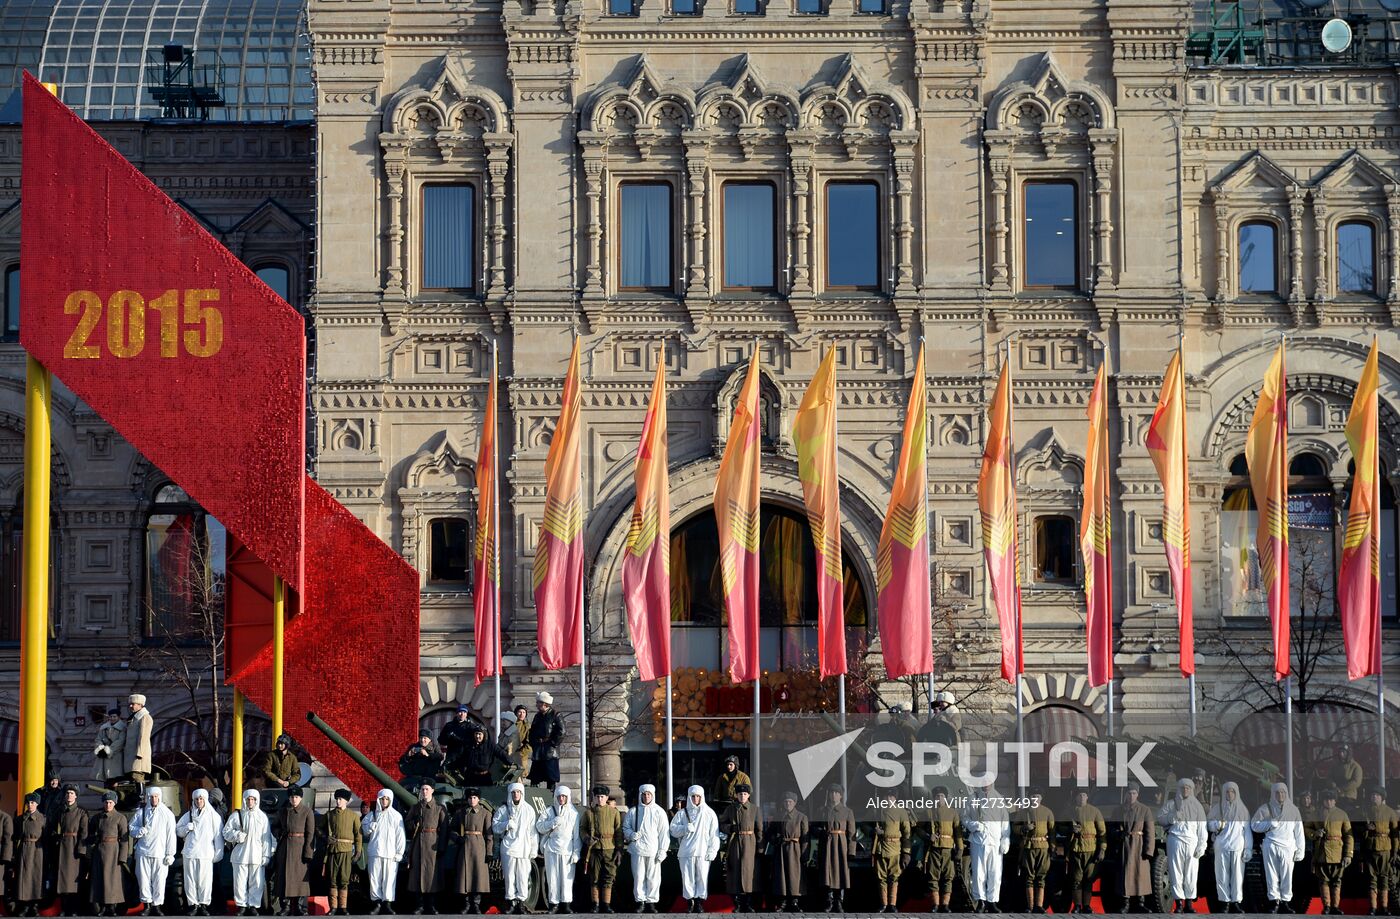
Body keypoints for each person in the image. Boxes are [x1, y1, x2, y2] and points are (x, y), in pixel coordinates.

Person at [1252, 782, 1306, 914]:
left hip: (1288, 846)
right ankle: (1274, 901)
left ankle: (1285, 902)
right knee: (1271, 875)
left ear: (1286, 794)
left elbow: (1299, 831)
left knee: (1287, 875)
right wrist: (1268, 824)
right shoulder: (1265, 808)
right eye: (1277, 793)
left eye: (1283, 792)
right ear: (1273, 794)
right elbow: (1254, 825)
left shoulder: (1294, 810)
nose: (1280, 795)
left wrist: (1300, 849)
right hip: (1270, 845)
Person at [1158, 777, 1208, 914]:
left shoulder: (1197, 806)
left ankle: (1189, 904)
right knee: (1176, 872)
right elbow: (1160, 818)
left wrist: (1201, 846)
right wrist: (1172, 816)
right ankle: (1179, 903)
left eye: (1188, 788)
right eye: (1183, 787)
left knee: (1191, 874)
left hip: (1192, 842)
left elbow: (1202, 828)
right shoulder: (1171, 804)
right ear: (1179, 789)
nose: (1185, 790)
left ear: (1191, 790)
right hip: (1175, 840)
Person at [225, 788, 278, 917]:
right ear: (244, 800)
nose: (250, 802)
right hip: (240, 855)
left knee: (256, 882)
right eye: (248, 799)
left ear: (257, 801)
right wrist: (237, 835)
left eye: (253, 799)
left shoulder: (262, 817)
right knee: (240, 882)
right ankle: (242, 906)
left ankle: (253, 905)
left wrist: (266, 855)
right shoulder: (236, 815)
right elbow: (226, 832)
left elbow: (267, 838)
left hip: (257, 855)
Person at [669, 785, 720, 914]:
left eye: (698, 796)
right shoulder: (682, 813)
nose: (696, 799)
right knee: (687, 878)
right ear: (689, 797)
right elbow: (673, 829)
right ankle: (690, 903)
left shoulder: (709, 813)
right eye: (693, 796)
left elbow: (714, 834)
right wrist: (685, 828)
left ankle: (699, 903)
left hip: (702, 852)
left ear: (702, 797)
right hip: (686, 851)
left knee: (702, 878)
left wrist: (712, 850)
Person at [493, 781, 540, 915]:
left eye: (518, 792)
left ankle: (521, 903)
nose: (516, 795)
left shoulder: (529, 810)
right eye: (513, 792)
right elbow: (495, 826)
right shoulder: (503, 810)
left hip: (524, 847)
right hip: (508, 847)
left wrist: (533, 848)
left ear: (522, 793)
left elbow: (532, 832)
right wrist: (506, 824)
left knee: (523, 876)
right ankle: (511, 902)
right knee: (509, 876)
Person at [129, 785, 177, 916]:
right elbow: (131, 827)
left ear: (160, 797)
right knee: (143, 880)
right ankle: (147, 905)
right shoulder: (142, 812)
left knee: (159, 880)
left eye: (156, 797)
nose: (154, 799)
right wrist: (139, 831)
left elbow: (171, 835)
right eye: (152, 797)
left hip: (160, 853)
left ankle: (157, 906)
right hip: (143, 852)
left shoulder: (167, 814)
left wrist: (170, 854)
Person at [623, 783, 670, 914]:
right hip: (637, 850)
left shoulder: (659, 812)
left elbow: (664, 833)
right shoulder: (633, 811)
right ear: (640, 795)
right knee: (638, 877)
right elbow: (625, 828)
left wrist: (662, 850)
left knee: (653, 878)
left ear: (652, 795)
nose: (646, 797)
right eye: (644, 794)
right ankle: (640, 902)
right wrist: (632, 835)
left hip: (653, 850)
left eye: (649, 794)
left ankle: (652, 902)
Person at [177, 788, 224, 917]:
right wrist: (186, 828)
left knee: (205, 881)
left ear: (205, 799)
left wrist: (218, 853)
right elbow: (178, 831)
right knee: (190, 880)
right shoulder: (189, 815)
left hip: (206, 854)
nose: (199, 801)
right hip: (190, 853)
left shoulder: (214, 816)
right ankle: (193, 905)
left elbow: (218, 837)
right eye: (196, 799)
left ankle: (204, 905)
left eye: (201, 799)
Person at [1207, 781, 1252, 914]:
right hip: (1222, 847)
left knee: (1237, 876)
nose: (1229, 794)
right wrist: (1216, 825)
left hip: (1237, 847)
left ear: (1236, 793)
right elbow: (1209, 824)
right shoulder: (1217, 808)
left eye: (1232, 791)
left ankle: (1236, 902)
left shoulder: (1243, 810)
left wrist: (1248, 848)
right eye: (1227, 791)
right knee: (1222, 875)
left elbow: (1247, 831)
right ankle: (1224, 902)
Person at [536, 784, 582, 914]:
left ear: (568, 797)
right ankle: (553, 903)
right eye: (559, 796)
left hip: (567, 849)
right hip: (551, 848)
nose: (561, 798)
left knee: (567, 878)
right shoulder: (549, 811)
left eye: (564, 796)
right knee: (552, 877)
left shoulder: (573, 813)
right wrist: (552, 822)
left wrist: (576, 852)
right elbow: (539, 826)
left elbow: (576, 836)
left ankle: (566, 904)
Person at [966, 788, 1011, 913]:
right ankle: (981, 901)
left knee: (995, 874)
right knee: (978, 873)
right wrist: (973, 825)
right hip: (978, 840)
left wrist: (1005, 838)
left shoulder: (999, 798)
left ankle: (992, 901)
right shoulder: (973, 798)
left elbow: (1005, 821)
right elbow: (964, 816)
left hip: (995, 842)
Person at [275, 785, 317, 916]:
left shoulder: (307, 811)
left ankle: (299, 906)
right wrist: (278, 833)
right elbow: (275, 826)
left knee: (300, 879)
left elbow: (310, 833)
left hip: (300, 847)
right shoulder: (283, 811)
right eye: (292, 797)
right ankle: (285, 906)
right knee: (283, 876)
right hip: (285, 847)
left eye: (296, 797)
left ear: (301, 798)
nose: (294, 799)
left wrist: (308, 852)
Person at [405, 781, 445, 916]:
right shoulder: (416, 807)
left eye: (427, 789)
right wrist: (413, 822)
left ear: (432, 790)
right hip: (418, 843)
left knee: (432, 875)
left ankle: (431, 905)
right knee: (417, 874)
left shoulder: (439, 808)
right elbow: (407, 824)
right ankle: (420, 905)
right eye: (422, 789)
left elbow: (444, 829)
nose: (424, 791)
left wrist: (441, 847)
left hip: (432, 843)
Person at [363, 789, 405, 916]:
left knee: (389, 879)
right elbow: (364, 828)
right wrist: (370, 827)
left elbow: (400, 836)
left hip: (390, 853)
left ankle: (387, 903)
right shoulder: (372, 815)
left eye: (387, 799)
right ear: (379, 800)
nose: (384, 801)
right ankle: (376, 903)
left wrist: (399, 852)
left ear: (390, 800)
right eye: (382, 799)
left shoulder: (396, 816)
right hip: (375, 852)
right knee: (374, 878)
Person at [1358, 785, 1398, 916]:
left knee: (1384, 878)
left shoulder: (1390, 812)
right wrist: (1366, 829)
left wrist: (1395, 852)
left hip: (1386, 848)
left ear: (1382, 798)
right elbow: (1361, 834)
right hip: (1371, 848)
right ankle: (1373, 907)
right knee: (1372, 879)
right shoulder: (1366, 812)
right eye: (1372, 795)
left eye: (1377, 795)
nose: (1374, 797)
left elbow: (1395, 834)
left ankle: (1385, 907)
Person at [452, 788, 493, 915]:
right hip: (464, 847)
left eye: (474, 797)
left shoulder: (485, 813)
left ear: (478, 799)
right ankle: (466, 904)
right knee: (465, 876)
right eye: (470, 798)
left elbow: (489, 835)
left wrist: (489, 852)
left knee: (477, 877)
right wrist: (457, 837)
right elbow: (452, 829)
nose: (472, 800)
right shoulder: (461, 813)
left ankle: (476, 904)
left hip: (479, 847)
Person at [870, 789, 912, 914]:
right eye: (886, 796)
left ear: (895, 798)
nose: (888, 799)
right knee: (881, 877)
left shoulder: (901, 811)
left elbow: (907, 833)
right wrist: (873, 831)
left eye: (891, 796)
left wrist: (906, 852)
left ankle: (892, 905)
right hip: (881, 848)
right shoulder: (876, 811)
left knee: (894, 877)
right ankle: (884, 904)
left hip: (895, 848)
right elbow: (866, 826)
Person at [720, 783, 760, 912]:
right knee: (735, 872)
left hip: (750, 842)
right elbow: (721, 824)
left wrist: (760, 847)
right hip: (735, 842)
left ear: (748, 795)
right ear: (736, 795)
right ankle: (737, 904)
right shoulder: (730, 809)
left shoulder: (755, 809)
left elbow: (760, 830)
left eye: (744, 794)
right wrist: (730, 828)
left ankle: (748, 903)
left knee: (748, 873)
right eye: (740, 794)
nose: (742, 796)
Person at [1314, 787, 1354, 916]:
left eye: (1331, 800)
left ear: (1335, 801)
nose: (1329, 802)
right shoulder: (1317, 814)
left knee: (1337, 880)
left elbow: (1348, 835)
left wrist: (1348, 854)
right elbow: (1307, 828)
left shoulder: (1342, 814)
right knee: (1323, 880)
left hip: (1338, 851)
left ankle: (1335, 906)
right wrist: (1315, 833)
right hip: (1321, 851)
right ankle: (1326, 906)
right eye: (1326, 800)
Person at [89, 791, 130, 917]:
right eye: (106, 802)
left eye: (110, 802)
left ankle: (112, 907)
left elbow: (124, 839)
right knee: (100, 879)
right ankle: (101, 906)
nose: (108, 805)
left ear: (114, 803)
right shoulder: (97, 818)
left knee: (112, 881)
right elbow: (90, 835)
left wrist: (122, 857)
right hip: (100, 851)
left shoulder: (120, 818)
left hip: (114, 852)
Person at [767, 790, 808, 913]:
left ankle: (794, 902)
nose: (787, 804)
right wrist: (775, 839)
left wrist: (804, 854)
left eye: (790, 801)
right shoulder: (779, 816)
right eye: (785, 802)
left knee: (795, 876)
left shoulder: (802, 817)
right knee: (781, 875)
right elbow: (769, 833)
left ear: (795, 803)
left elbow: (805, 838)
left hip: (795, 850)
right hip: (781, 849)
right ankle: (783, 902)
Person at [1118, 782, 1157, 914]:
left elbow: (1150, 832)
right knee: (1125, 875)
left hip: (1139, 846)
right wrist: (1118, 834)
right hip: (1125, 845)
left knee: (1140, 875)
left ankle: (1141, 903)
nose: (1131, 795)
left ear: (1137, 794)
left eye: (1134, 793)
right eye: (1129, 793)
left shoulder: (1145, 809)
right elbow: (1112, 828)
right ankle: (1126, 903)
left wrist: (1148, 850)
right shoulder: (1120, 810)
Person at [924, 786, 963, 914]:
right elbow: (918, 829)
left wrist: (960, 849)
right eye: (937, 796)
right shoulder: (928, 812)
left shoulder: (952, 812)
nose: (939, 798)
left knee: (948, 877)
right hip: (933, 848)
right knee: (933, 877)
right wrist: (927, 836)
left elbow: (957, 833)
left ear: (945, 798)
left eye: (941, 796)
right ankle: (935, 904)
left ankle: (945, 905)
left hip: (948, 849)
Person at [325, 788, 364, 916]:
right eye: (336, 799)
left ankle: (343, 907)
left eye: (340, 799)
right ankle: (333, 907)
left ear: (346, 801)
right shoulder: (329, 815)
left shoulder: (353, 816)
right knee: (332, 879)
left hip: (347, 851)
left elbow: (358, 836)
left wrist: (358, 852)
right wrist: (325, 837)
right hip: (332, 851)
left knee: (344, 879)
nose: (338, 801)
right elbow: (318, 829)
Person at [1016, 789, 1056, 914]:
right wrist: (1023, 828)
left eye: (1037, 796)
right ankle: (1030, 906)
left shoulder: (1048, 812)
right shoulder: (1023, 812)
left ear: (1041, 798)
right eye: (1033, 796)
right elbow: (1015, 827)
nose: (1035, 798)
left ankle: (1039, 905)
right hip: (1028, 846)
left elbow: (1052, 831)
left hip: (1043, 846)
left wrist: (1053, 847)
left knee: (1041, 877)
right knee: (1029, 877)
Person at [53, 784, 89, 917]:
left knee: (73, 881)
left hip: (74, 849)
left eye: (72, 793)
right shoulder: (60, 811)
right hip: (62, 847)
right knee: (61, 880)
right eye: (67, 793)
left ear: (76, 796)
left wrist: (81, 849)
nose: (69, 795)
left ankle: (73, 909)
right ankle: (64, 908)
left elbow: (84, 832)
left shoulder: (81, 812)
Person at [818, 784, 855, 914]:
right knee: (827, 873)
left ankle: (839, 901)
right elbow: (816, 828)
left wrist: (851, 851)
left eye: (836, 793)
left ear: (841, 795)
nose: (833, 795)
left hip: (841, 846)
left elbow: (852, 834)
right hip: (827, 845)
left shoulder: (848, 811)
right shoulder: (822, 810)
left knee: (841, 873)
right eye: (831, 792)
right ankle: (829, 900)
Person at [453, 722, 511, 787]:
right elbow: (460, 759)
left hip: (485, 777)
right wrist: (450, 766)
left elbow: (501, 754)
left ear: (484, 735)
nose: (477, 736)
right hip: (470, 777)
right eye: (476, 734)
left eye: (480, 734)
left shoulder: (490, 745)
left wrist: (510, 762)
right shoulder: (468, 746)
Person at [15, 794, 45, 917]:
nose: (30, 805)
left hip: (38, 851)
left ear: (37, 804)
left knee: (36, 878)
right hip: (24, 849)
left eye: (33, 802)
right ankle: (25, 906)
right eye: (28, 803)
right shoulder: (20, 819)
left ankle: (35, 906)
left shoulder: (43, 819)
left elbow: (47, 836)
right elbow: (16, 836)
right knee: (24, 878)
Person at [527, 692, 565, 788]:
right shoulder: (537, 716)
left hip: (550, 752)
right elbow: (532, 731)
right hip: (538, 752)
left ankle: (551, 800)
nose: (536, 705)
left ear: (544, 704)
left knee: (551, 779)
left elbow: (562, 731)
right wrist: (533, 743)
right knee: (534, 779)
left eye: (538, 702)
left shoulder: (556, 715)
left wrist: (552, 743)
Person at [123, 693, 155, 786]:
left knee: (137, 779)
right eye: (130, 704)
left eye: (133, 704)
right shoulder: (134, 718)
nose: (130, 706)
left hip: (138, 757)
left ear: (140, 704)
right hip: (132, 756)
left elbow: (143, 737)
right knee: (133, 780)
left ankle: (141, 799)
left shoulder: (145, 717)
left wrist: (140, 753)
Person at [438, 705, 478, 770]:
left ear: (466, 714)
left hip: (465, 756)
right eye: (460, 712)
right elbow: (441, 740)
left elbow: (474, 742)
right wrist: (447, 737)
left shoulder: (471, 727)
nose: (462, 714)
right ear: (456, 713)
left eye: (464, 712)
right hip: (451, 755)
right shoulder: (449, 725)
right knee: (446, 773)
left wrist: (458, 739)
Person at [93, 708, 126, 784]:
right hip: (104, 756)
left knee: (116, 777)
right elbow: (98, 739)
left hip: (117, 756)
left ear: (118, 717)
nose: (112, 718)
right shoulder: (104, 728)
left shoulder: (122, 728)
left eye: (114, 716)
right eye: (111, 717)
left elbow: (121, 741)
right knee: (107, 778)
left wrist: (109, 750)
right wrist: (100, 748)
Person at [504, 705, 532, 777]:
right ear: (516, 713)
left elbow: (530, 743)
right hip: (508, 754)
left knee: (519, 777)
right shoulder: (509, 724)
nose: (522, 714)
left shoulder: (527, 726)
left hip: (520, 756)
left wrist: (521, 754)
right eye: (520, 712)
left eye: (524, 712)